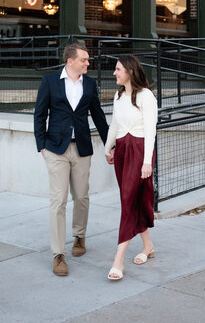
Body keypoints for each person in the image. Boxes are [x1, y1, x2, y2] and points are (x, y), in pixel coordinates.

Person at [34, 42, 109, 276]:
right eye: (84, 60)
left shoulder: (90, 84)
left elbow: (98, 115)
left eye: (88, 59)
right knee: (58, 201)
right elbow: (39, 114)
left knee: (82, 197)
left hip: (82, 148)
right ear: (70, 61)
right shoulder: (50, 81)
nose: (88, 63)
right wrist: (41, 146)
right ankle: (58, 254)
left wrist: (110, 145)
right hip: (56, 149)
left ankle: (79, 236)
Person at [105, 54, 158, 281]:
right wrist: (108, 148)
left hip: (139, 152)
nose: (114, 73)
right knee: (131, 200)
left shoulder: (146, 96)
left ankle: (118, 260)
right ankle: (148, 246)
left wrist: (147, 162)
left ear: (130, 71)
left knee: (128, 201)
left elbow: (151, 131)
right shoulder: (118, 96)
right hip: (122, 151)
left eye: (118, 69)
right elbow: (114, 125)